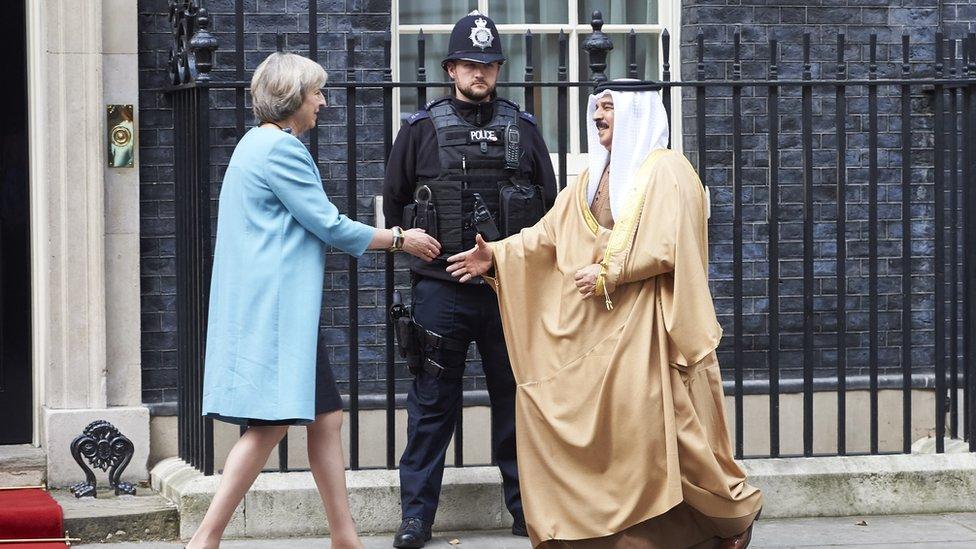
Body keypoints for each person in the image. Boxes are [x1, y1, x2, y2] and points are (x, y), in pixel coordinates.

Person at [447, 80, 764, 548]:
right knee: (616, 445)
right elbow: (547, 235)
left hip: (650, 326)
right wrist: (495, 255)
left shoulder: (668, 170)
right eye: (596, 108)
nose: (598, 116)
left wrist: (609, 271)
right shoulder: (592, 177)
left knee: (665, 434)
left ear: (636, 113)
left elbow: (667, 244)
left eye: (609, 108)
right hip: (600, 332)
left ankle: (730, 518)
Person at [190, 52, 441, 549]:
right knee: (268, 426)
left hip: (275, 312)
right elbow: (327, 223)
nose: (323, 102)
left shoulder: (252, 144)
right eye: (316, 93)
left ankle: (344, 537)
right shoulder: (281, 149)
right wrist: (398, 239)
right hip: (278, 315)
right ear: (292, 98)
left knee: (325, 417)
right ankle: (206, 538)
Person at [382, 10, 557, 549]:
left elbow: (550, 211)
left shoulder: (523, 130)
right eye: (468, 64)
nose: (479, 74)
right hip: (440, 291)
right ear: (451, 68)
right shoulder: (420, 130)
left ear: (497, 70)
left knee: (516, 405)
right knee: (432, 406)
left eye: (488, 65)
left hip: (508, 291)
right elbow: (396, 205)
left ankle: (526, 511)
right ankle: (417, 519)